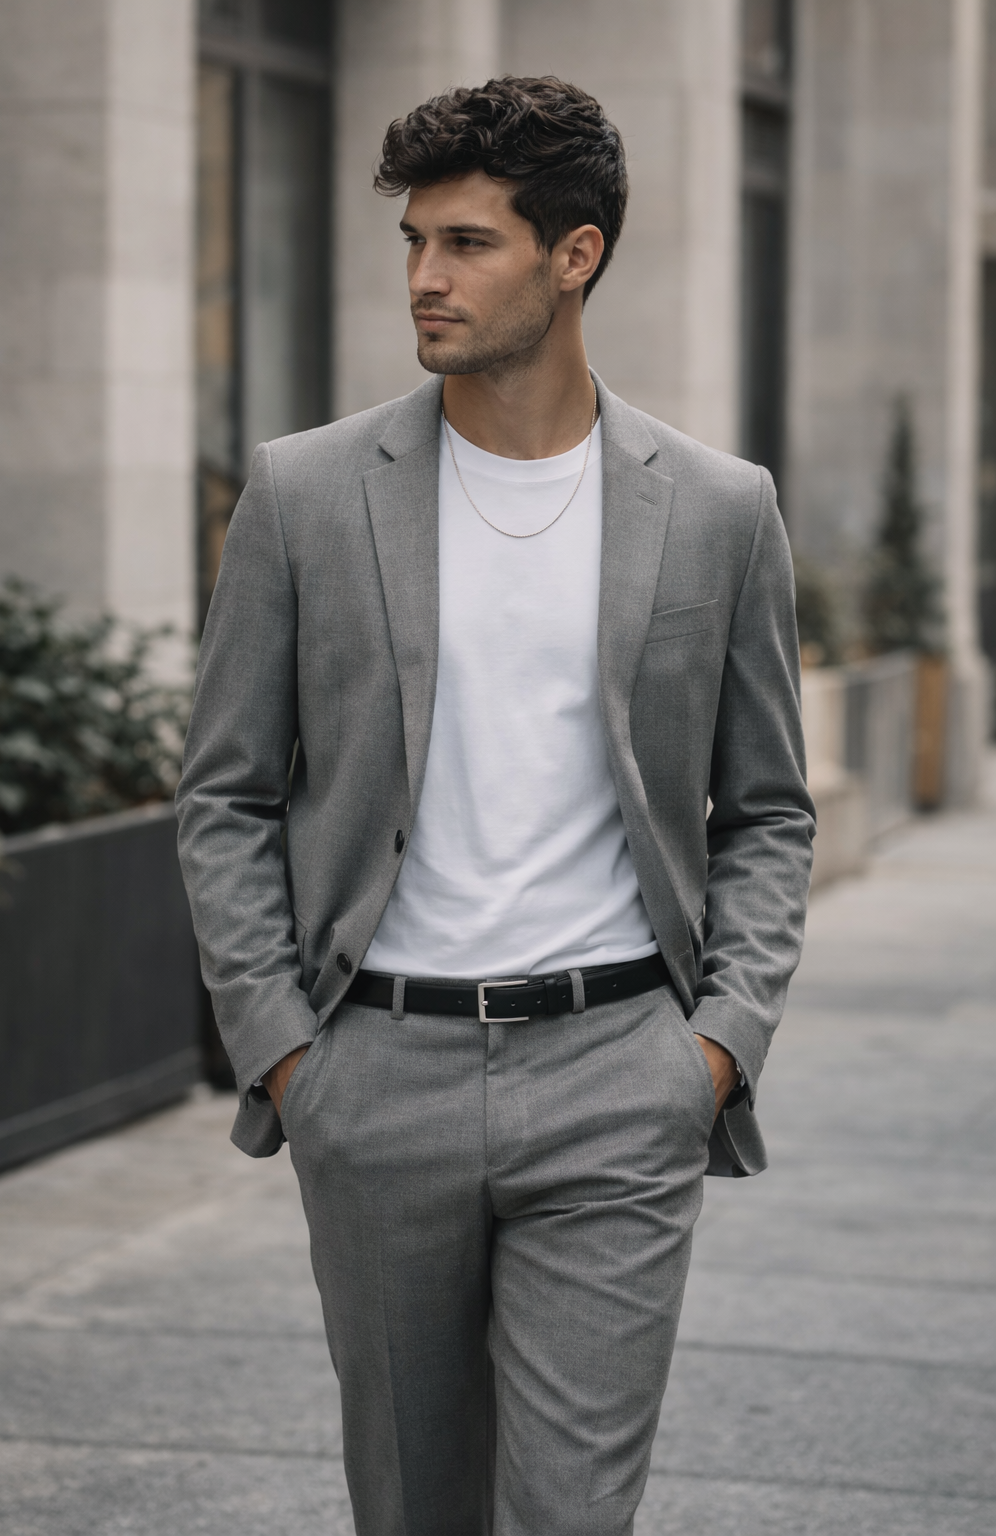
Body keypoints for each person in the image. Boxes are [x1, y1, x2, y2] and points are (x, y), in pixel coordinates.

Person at [177, 76, 815, 1536]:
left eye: (467, 242)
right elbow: (224, 790)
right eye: (415, 240)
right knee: (413, 1504)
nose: (425, 276)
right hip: (373, 1073)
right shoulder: (305, 493)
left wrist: (715, 1048)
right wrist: (287, 1054)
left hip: (618, 1075)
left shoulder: (718, 508)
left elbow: (770, 807)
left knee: (572, 1511)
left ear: (574, 255)